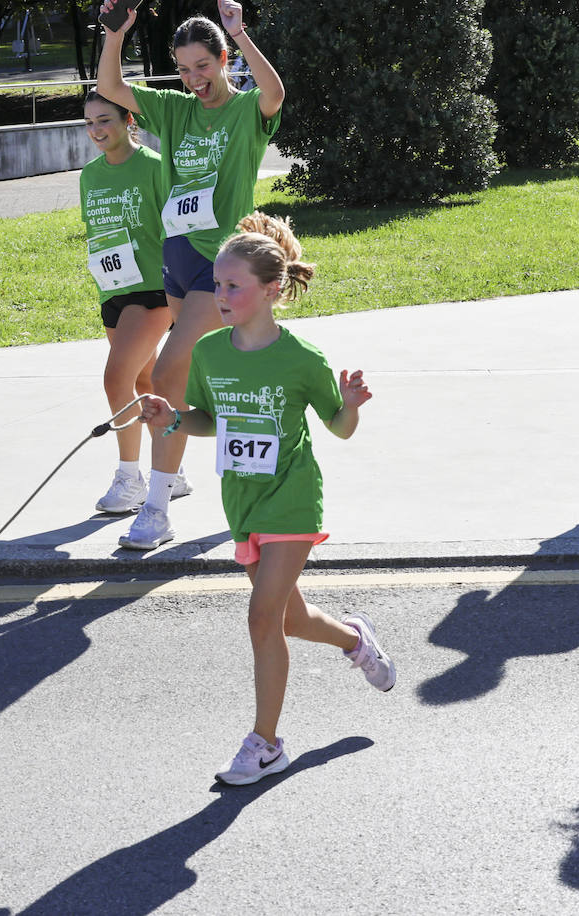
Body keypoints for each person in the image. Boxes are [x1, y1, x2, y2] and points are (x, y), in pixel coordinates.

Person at [137, 213, 395, 785]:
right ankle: (355, 640)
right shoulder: (209, 352)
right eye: (218, 285)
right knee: (292, 618)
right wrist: (174, 417)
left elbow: (339, 427)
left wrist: (350, 403)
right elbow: (209, 418)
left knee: (262, 620)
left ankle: (267, 743)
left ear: (271, 290)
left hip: (292, 499)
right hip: (242, 502)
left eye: (233, 286)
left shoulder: (302, 358)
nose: (221, 295)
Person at [98, 0, 285, 550]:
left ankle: (155, 509)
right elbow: (110, 84)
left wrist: (241, 31)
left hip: (220, 265)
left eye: (203, 65)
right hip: (175, 259)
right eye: (183, 69)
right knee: (194, 383)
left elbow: (274, 92)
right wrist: (115, 35)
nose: (193, 78)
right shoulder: (174, 110)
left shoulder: (247, 109)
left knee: (167, 373)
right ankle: (182, 471)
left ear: (223, 60)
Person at [80, 90, 172, 514]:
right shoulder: (90, 176)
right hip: (113, 291)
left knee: (116, 378)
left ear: (128, 120)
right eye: (90, 123)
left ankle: (130, 478)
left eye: (105, 120)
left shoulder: (154, 167)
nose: (98, 130)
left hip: (152, 289)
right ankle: (171, 473)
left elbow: (176, 228)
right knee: (145, 382)